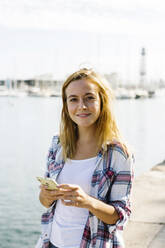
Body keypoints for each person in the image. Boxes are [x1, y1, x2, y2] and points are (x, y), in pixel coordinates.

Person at [35, 68, 134, 248]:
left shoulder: (118, 153)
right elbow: (45, 202)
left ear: (102, 102)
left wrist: (88, 202)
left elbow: (121, 216)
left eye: (89, 97)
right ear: (66, 106)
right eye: (73, 99)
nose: (82, 106)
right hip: (51, 242)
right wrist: (45, 195)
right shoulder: (58, 144)